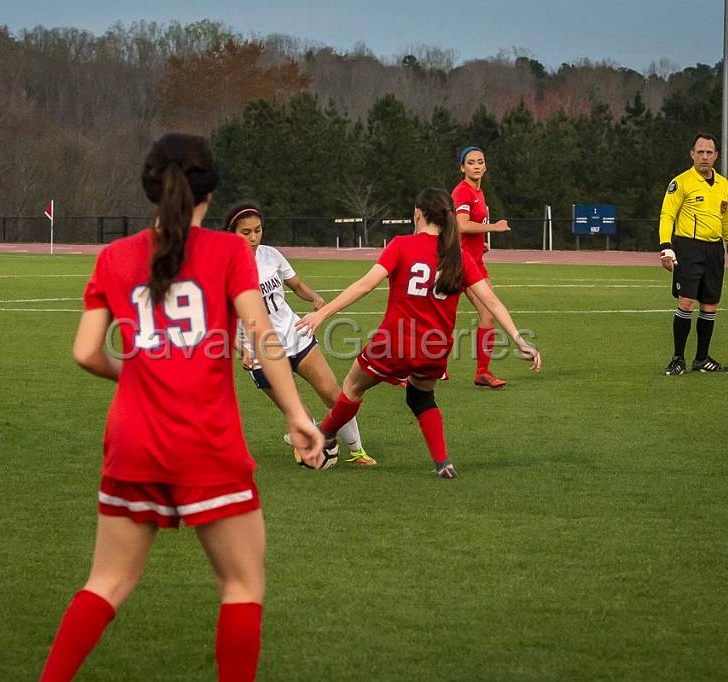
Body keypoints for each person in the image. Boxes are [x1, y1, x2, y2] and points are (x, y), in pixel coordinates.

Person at [39, 133, 323, 682]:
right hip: (205, 440)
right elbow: (264, 335)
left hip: (132, 441)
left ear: (150, 188)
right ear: (209, 194)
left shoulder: (114, 257)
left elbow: (84, 352)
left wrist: (133, 375)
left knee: (107, 583)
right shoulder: (229, 253)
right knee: (241, 586)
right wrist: (296, 414)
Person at [296, 188, 541, 479]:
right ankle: (443, 463)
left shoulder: (402, 245)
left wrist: (322, 313)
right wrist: (519, 339)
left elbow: (365, 285)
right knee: (421, 398)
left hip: (394, 344)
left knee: (352, 387)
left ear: (418, 213)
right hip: (435, 350)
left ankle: (322, 437)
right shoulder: (457, 255)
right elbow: (492, 302)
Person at [225, 202, 375, 467]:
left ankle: (357, 451)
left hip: (295, 335)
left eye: (257, 230)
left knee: (334, 395)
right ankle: (307, 434)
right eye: (245, 232)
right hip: (261, 353)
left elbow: (296, 286)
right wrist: (242, 349)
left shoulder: (271, 255)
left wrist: (315, 298)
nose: (253, 237)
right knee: (297, 413)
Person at [659, 132, 728, 375]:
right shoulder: (681, 182)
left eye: (709, 152)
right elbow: (667, 215)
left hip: (715, 250)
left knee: (710, 306)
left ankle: (702, 358)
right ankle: (677, 359)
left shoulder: (723, 184)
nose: (705, 156)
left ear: (716, 156)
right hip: (688, 247)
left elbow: (727, 218)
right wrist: (666, 247)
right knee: (686, 302)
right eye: (700, 152)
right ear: (692, 154)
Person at [451, 145, 513, 389]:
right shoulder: (462, 192)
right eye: (471, 162)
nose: (476, 166)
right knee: (436, 319)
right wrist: (494, 227)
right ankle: (406, 371)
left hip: (475, 262)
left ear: (485, 166)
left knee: (488, 314)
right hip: (460, 264)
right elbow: (462, 225)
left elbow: (466, 230)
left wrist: (480, 243)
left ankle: (482, 372)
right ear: (462, 167)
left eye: (480, 162)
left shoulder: (478, 192)